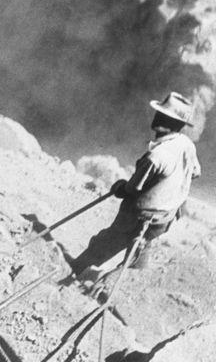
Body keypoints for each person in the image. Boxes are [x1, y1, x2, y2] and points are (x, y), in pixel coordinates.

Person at [71, 92, 202, 280]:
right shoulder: (187, 144)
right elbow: (196, 172)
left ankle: (75, 271)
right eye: (160, 113)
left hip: (139, 216)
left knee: (107, 243)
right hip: (164, 218)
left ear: (178, 125)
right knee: (140, 248)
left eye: (166, 117)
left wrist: (119, 188)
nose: (158, 118)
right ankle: (130, 276)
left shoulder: (156, 156)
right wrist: (169, 186)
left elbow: (131, 189)